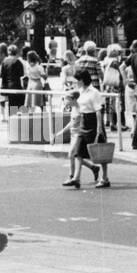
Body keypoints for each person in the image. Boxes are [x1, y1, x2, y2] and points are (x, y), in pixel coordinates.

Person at [53, 53, 107, 188]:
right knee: (78, 151)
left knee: (99, 152)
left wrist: (100, 128)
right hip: (84, 120)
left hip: (93, 120)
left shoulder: (94, 92)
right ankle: (76, 178)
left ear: (83, 80)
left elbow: (98, 111)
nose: (76, 81)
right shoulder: (81, 91)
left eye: (78, 80)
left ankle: (105, 178)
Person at [0, 44, 26, 115]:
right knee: (20, 105)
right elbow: (21, 77)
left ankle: (11, 121)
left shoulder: (4, 61)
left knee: (11, 105)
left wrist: (2, 87)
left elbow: (2, 76)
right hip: (17, 85)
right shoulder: (18, 62)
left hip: (8, 85)